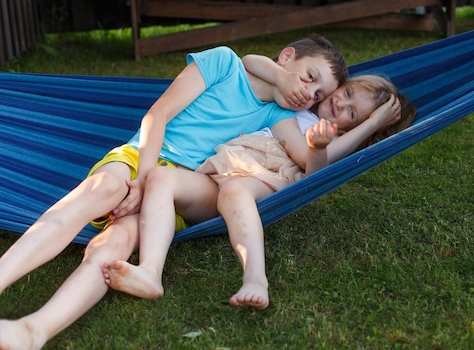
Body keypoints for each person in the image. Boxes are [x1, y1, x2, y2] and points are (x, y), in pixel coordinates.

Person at [0, 35, 347, 350]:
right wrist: (143, 179)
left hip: (177, 191)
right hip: (142, 157)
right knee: (102, 187)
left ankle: (32, 332)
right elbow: (159, 113)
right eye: (310, 77)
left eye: (317, 95)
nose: (309, 93)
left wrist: (322, 145)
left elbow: (310, 172)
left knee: (114, 246)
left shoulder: (277, 115)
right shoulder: (223, 62)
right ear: (286, 57)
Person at [101, 73, 417, 311]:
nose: (339, 103)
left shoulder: (333, 136)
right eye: (346, 93)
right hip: (223, 165)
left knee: (235, 191)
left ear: (351, 129)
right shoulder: (299, 100)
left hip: (267, 173)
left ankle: (255, 278)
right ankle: (150, 272)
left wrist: (365, 126)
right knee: (159, 176)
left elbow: (314, 176)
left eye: (351, 113)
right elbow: (253, 66)